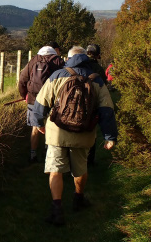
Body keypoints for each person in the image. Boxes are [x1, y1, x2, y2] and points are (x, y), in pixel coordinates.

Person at [31, 46, 117, 226]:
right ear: (85, 58)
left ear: (68, 58)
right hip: (84, 132)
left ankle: (56, 210)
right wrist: (109, 136)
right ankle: (78, 199)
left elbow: (41, 102)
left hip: (57, 132)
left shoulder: (57, 75)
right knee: (80, 168)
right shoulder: (96, 79)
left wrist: (38, 123)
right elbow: (107, 110)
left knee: (55, 169)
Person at [18, 42, 65, 163]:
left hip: (34, 99)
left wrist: (24, 96)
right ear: (55, 50)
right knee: (51, 126)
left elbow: (22, 79)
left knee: (36, 127)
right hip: (53, 100)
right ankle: (48, 152)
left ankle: (33, 154)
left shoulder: (34, 60)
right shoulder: (58, 61)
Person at [84, 44, 107, 166]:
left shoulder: (79, 66)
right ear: (98, 55)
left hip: (76, 103)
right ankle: (89, 161)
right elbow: (104, 87)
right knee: (91, 132)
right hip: (93, 105)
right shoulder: (98, 69)